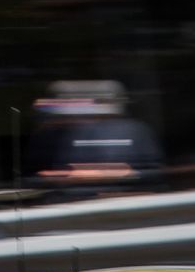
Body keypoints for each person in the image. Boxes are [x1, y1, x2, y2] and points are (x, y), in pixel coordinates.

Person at [30, 81, 164, 192]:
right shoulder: (52, 133)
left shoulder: (135, 130)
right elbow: (35, 174)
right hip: (68, 200)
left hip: (124, 198)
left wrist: (122, 173)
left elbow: (154, 172)